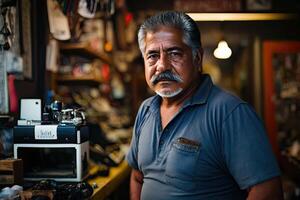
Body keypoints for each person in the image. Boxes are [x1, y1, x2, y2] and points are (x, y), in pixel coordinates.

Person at [126, 11, 283, 200]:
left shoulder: (229, 112)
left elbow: (268, 191)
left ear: (197, 58)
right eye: (152, 55)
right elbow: (137, 177)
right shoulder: (146, 110)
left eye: (174, 53)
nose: (161, 66)